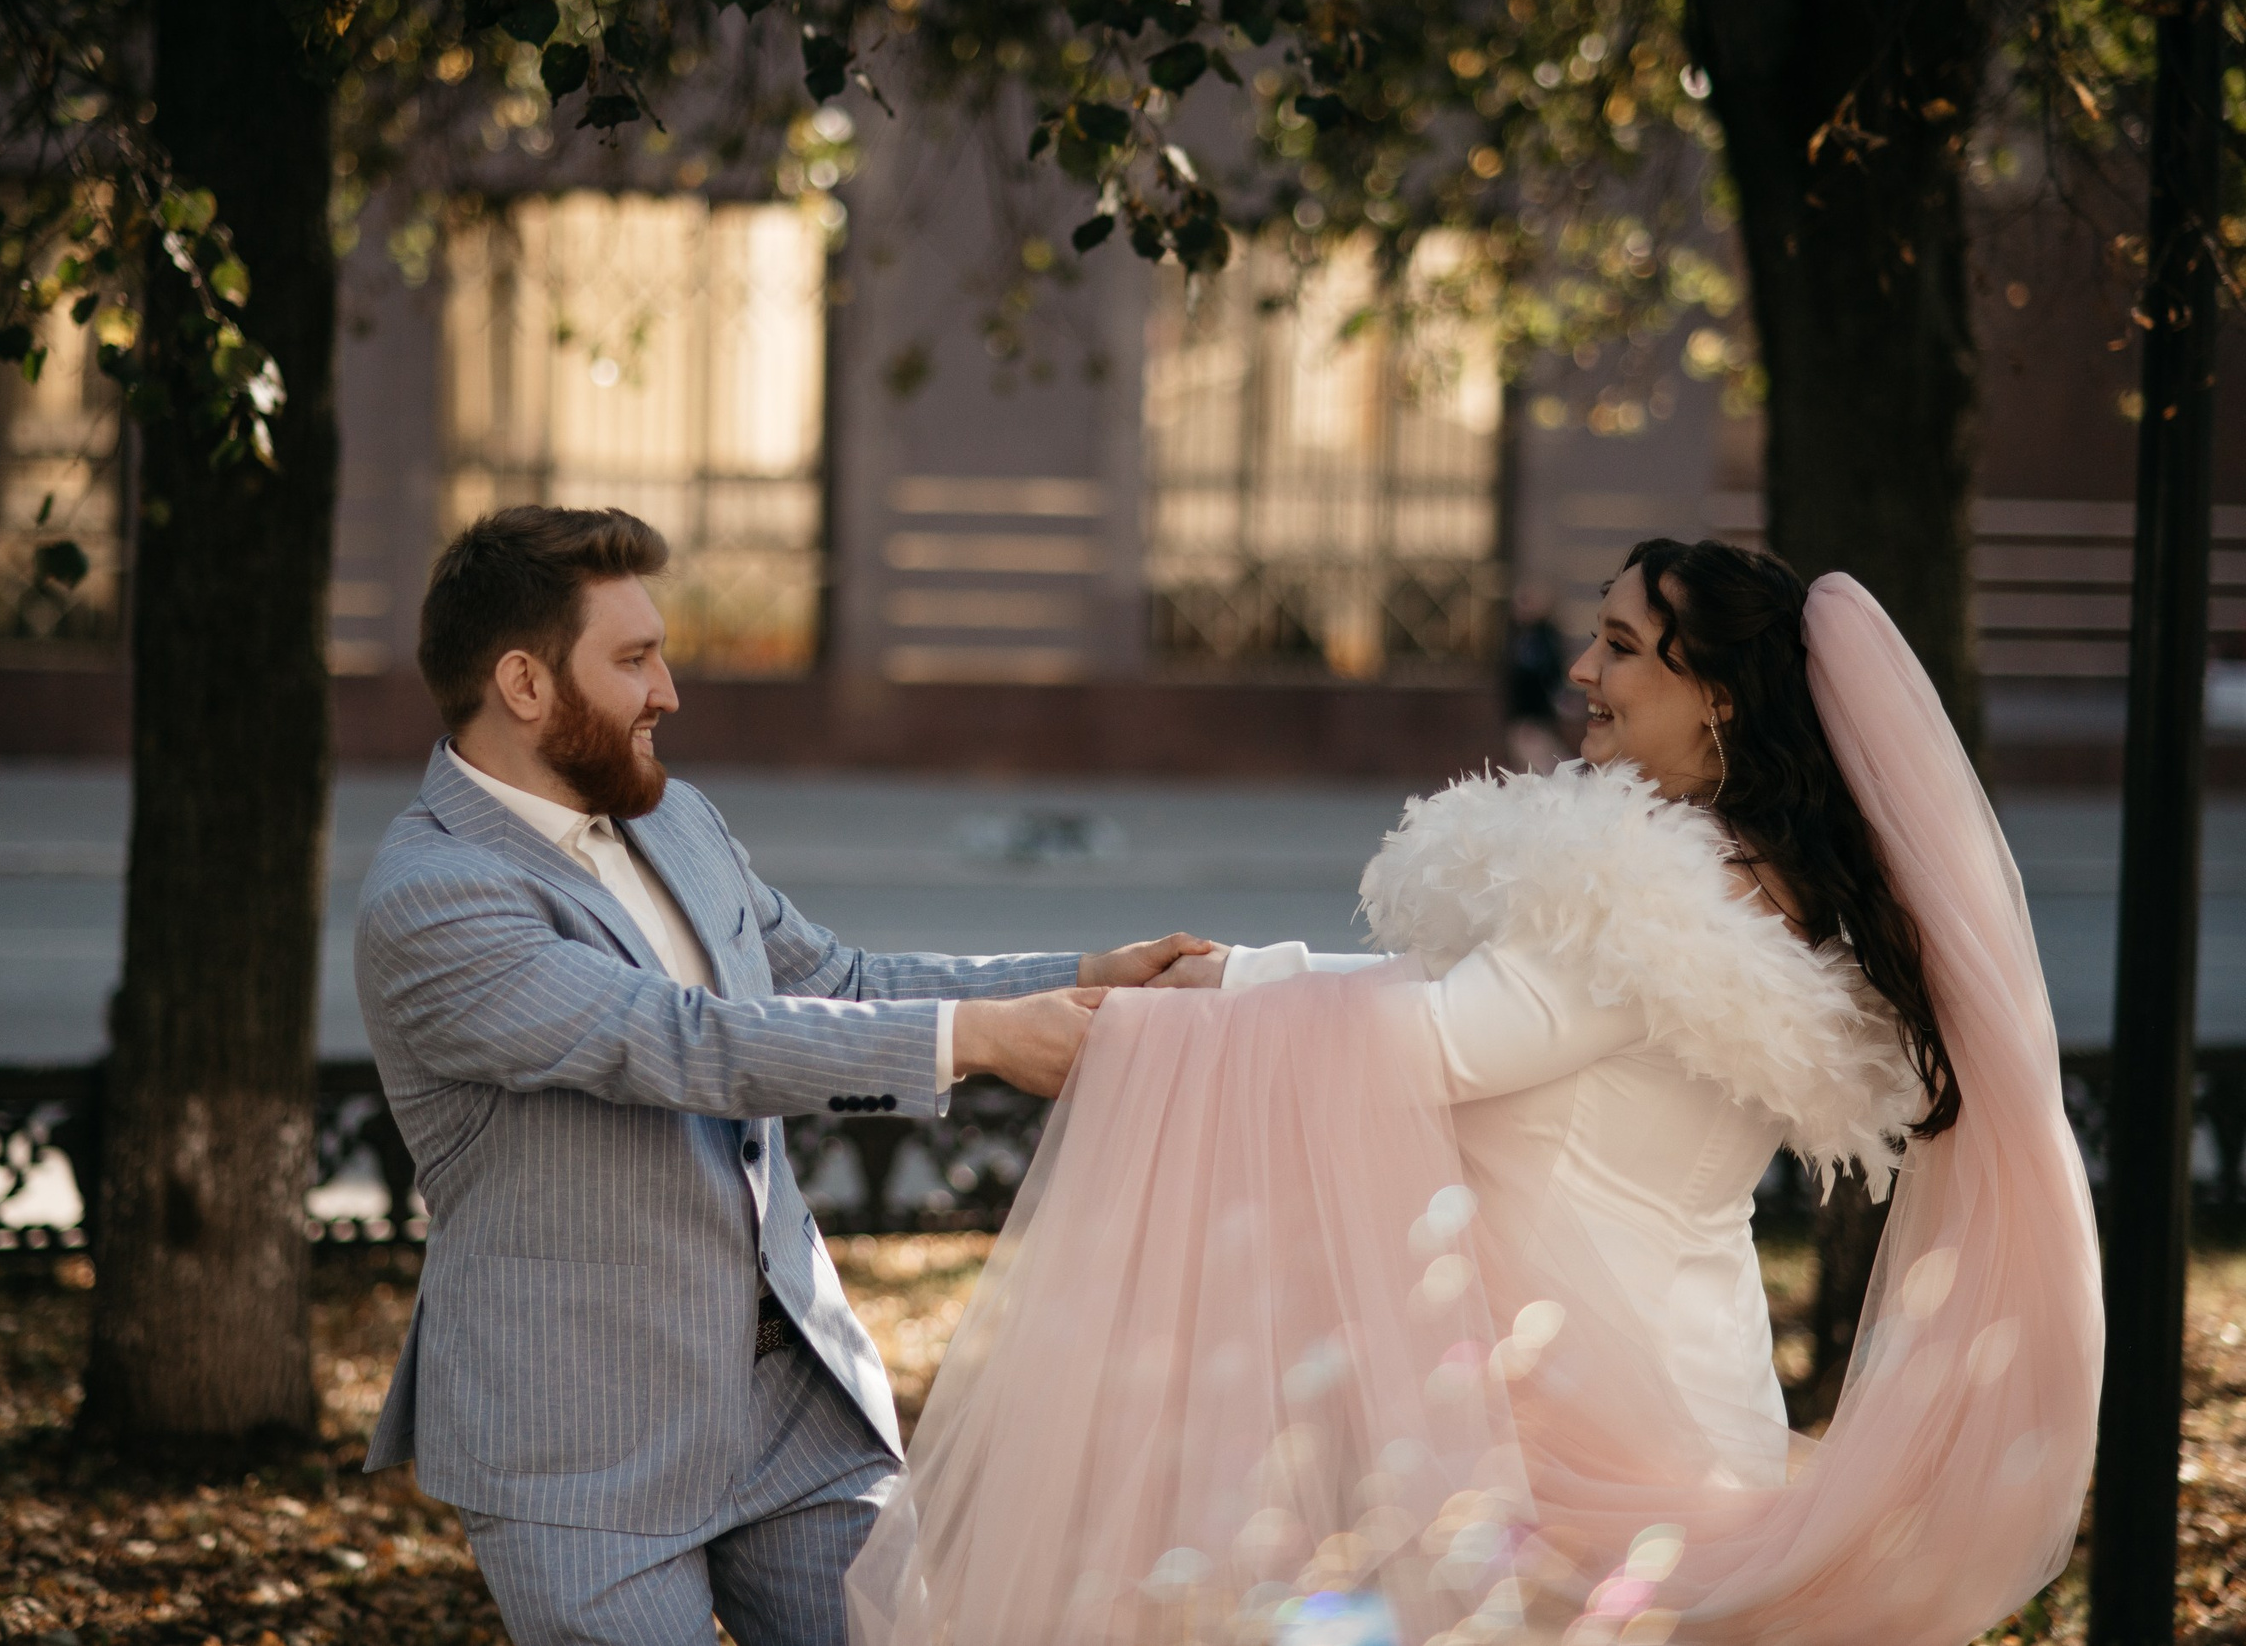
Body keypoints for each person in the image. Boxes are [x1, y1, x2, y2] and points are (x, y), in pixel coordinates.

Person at [848, 540, 2104, 1646]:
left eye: (1622, 647)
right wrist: (1238, 972)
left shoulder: (1648, 888)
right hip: (1687, 1379)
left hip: (1567, 1409)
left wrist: (1161, 1028)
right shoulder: (1759, 882)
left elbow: (1440, 1041)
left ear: (1716, 695)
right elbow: (1483, 999)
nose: (1582, 671)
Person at [353, 505, 1222, 1645]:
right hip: (582, 1451)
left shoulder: (676, 819)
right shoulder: (432, 894)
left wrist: (1077, 976)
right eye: (634, 658)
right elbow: (682, 1040)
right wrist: (980, 1038)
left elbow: (835, 980)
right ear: (523, 682)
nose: (667, 692)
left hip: (794, 1410)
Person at [1503, 580, 1571, 772]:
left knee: (1540, 766)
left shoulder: (1543, 638)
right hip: (1523, 716)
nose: (1519, 608)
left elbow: (1547, 677)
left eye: (1526, 602)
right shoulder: (1520, 636)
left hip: (1534, 717)